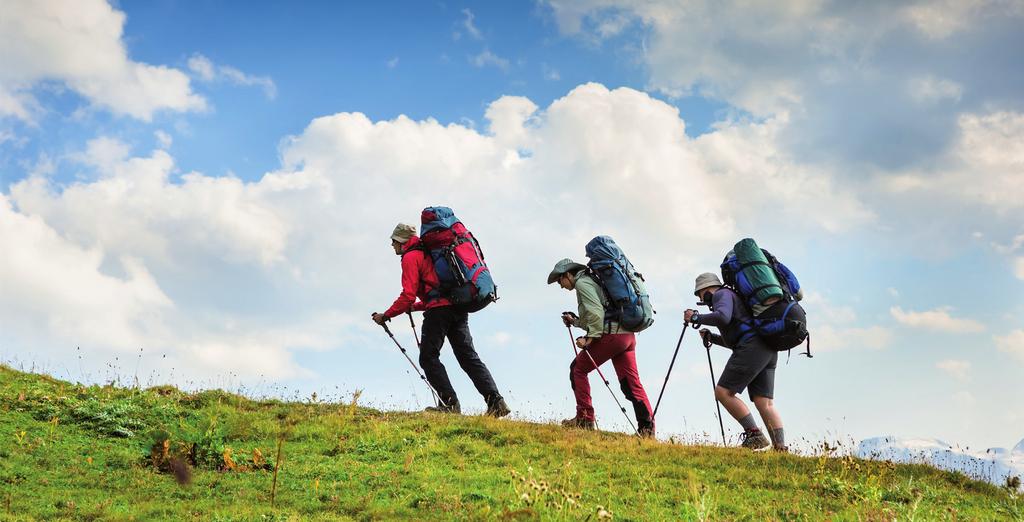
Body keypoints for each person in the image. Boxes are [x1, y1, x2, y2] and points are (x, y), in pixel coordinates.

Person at [372, 223, 510, 418]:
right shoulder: (429, 252)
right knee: (468, 356)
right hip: (456, 306)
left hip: (439, 312)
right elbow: (435, 293)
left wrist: (386, 315)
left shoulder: (411, 257)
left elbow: (408, 295)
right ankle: (496, 401)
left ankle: (450, 404)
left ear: (402, 241)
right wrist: (415, 307)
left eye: (393, 241)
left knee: (428, 357)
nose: (392, 245)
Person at [547, 258, 655, 437]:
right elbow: (600, 314)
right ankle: (647, 430)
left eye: (560, 280)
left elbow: (596, 313)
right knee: (631, 384)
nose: (560, 285)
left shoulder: (582, 283)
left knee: (578, 369)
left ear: (568, 274)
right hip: (627, 336)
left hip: (611, 337)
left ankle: (584, 419)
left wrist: (589, 339)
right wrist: (575, 322)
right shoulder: (595, 279)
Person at [684, 273, 786, 451]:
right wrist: (713, 338)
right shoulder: (734, 297)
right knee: (765, 402)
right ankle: (781, 449)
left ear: (706, 290)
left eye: (700, 295)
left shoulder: (721, 295)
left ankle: (755, 435)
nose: (702, 301)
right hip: (766, 347)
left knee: (723, 392)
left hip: (753, 347)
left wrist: (696, 318)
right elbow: (737, 339)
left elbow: (722, 317)